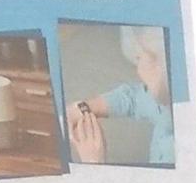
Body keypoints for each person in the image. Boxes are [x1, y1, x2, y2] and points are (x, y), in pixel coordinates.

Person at [67, 25, 175, 167]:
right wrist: (83, 107)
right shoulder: (168, 102)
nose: (138, 55)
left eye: (149, 54)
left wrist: (94, 163)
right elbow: (135, 98)